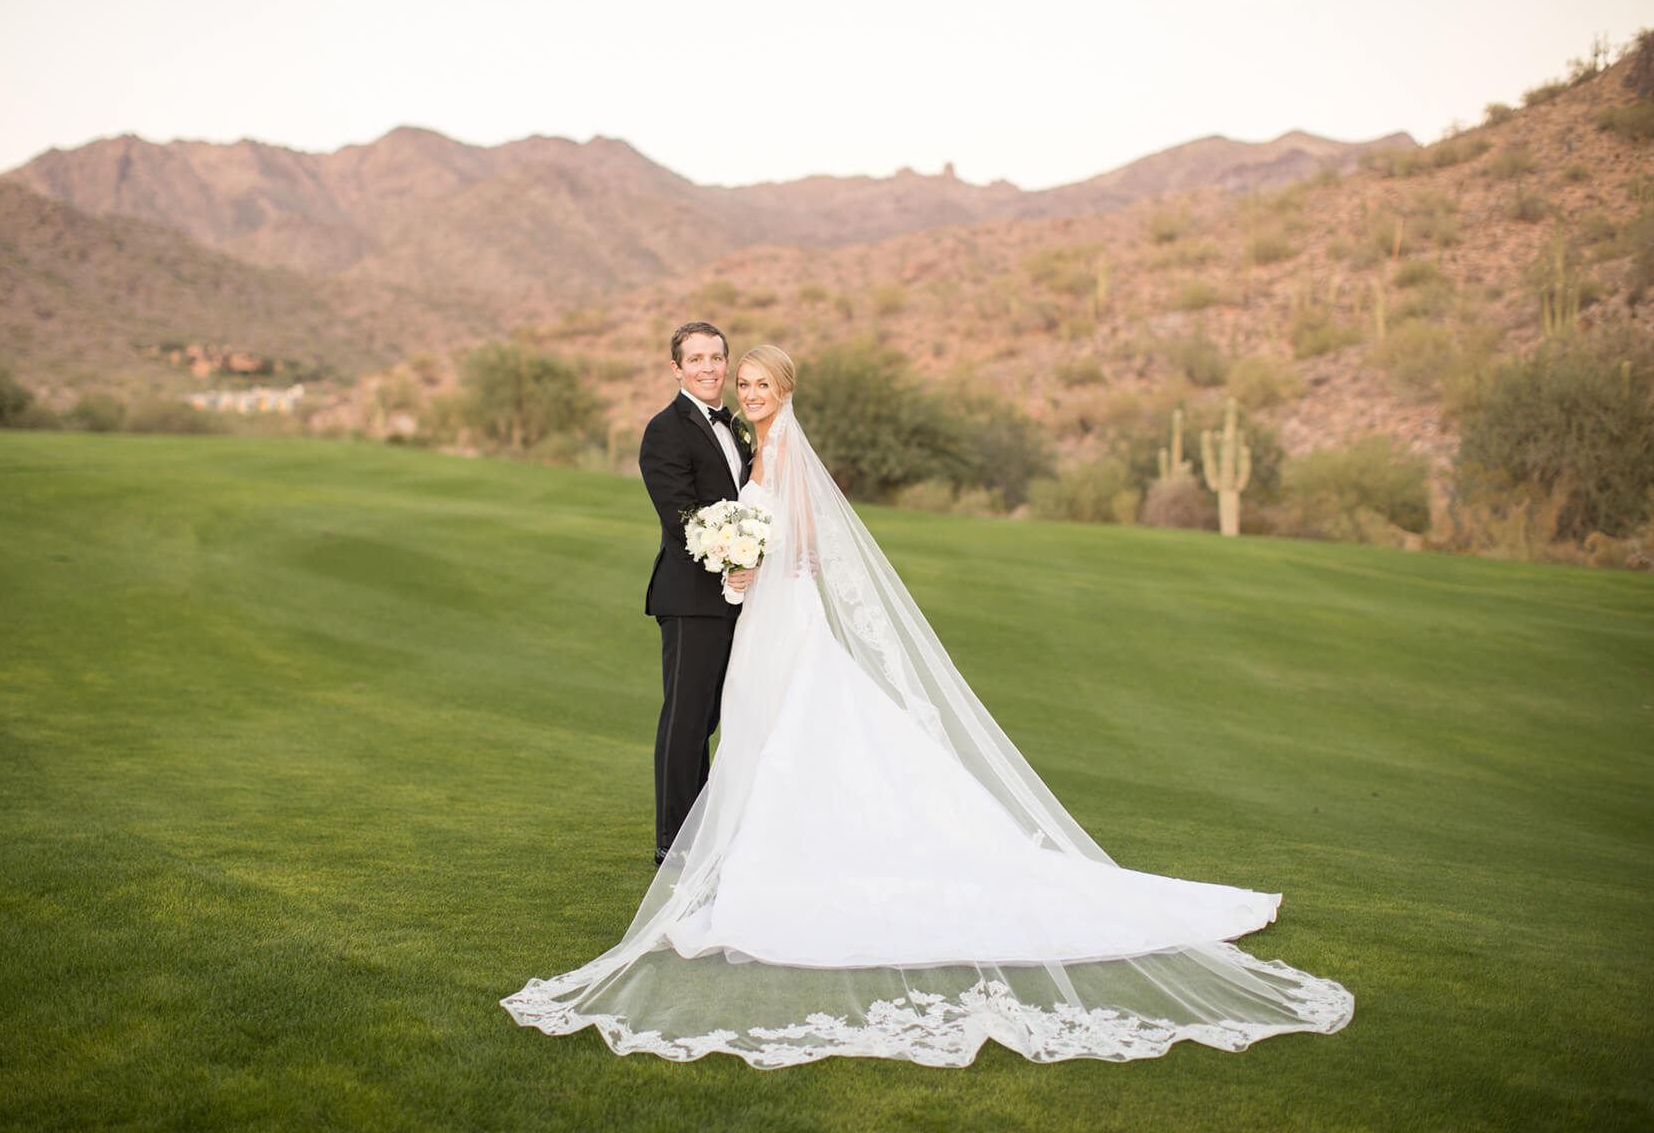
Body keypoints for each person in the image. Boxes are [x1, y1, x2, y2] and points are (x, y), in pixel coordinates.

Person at [503, 344, 1354, 1068]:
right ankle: (729, 849)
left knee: (791, 731)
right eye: (739, 380)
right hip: (750, 611)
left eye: (758, 382)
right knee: (753, 735)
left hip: (778, 612)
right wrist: (738, 555)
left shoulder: (780, 450)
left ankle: (777, 857)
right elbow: (709, 517)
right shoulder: (735, 441)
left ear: (781, 392)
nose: (746, 390)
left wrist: (754, 556)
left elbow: (795, 542)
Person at [636, 323, 754, 866]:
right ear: (676, 368)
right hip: (691, 597)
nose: (708, 367)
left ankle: (707, 832)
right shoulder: (665, 429)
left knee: (714, 715)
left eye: (716, 357)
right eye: (697, 359)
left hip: (742, 596)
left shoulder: (737, 425)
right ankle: (674, 844)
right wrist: (733, 559)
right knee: (686, 719)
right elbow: (682, 516)